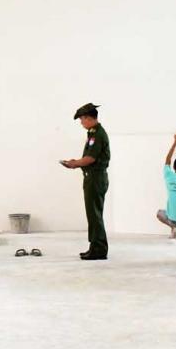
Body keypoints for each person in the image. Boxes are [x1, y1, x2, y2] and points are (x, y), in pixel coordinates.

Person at [61, 103, 111, 260]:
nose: (81, 123)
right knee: (93, 214)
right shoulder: (93, 133)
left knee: (94, 215)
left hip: (95, 178)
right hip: (93, 177)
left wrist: (74, 163)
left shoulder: (97, 134)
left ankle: (99, 249)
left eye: (82, 119)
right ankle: (95, 247)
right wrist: (75, 162)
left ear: (89, 118)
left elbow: (90, 158)